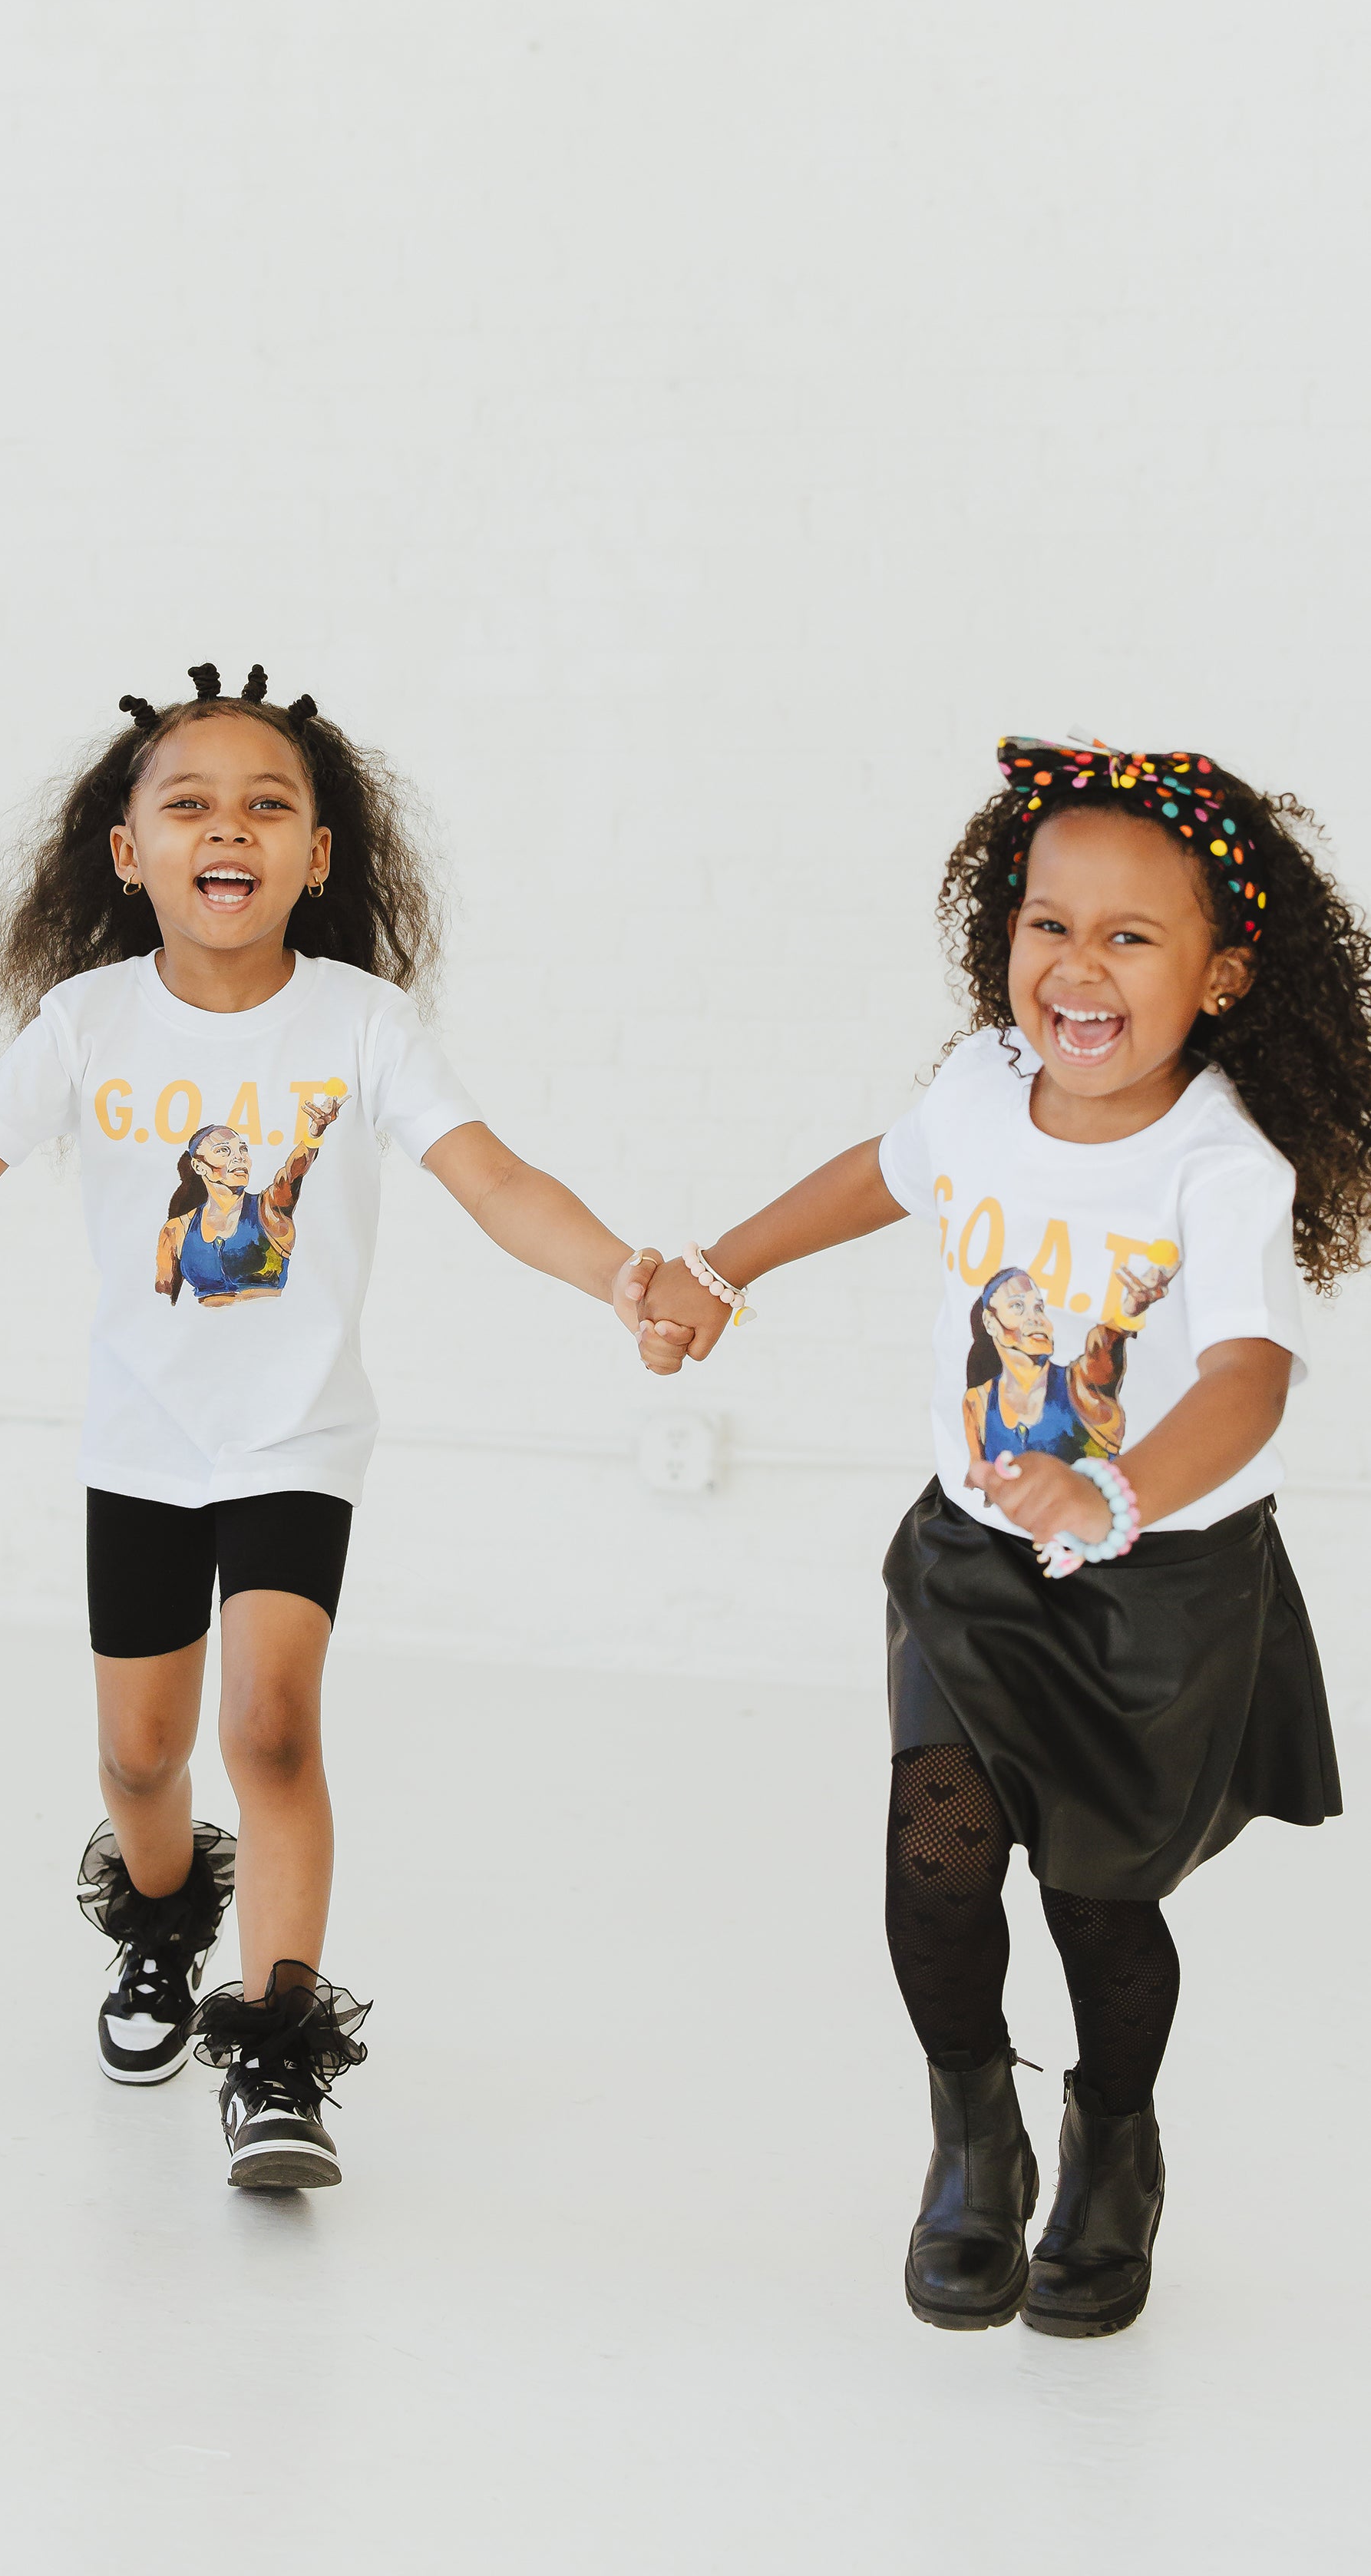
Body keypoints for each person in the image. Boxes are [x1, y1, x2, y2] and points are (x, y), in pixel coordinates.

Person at [0, 662, 686, 2191]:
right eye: (186, 802)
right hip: (138, 1442)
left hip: (296, 1438)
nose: (227, 826)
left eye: (268, 803)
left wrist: (622, 1272)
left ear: (317, 856)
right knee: (140, 1765)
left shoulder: (362, 1023)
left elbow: (496, 1178)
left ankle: (270, 2052)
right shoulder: (85, 1021)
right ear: (126, 853)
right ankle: (161, 1922)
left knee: (267, 1723)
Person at [638, 739, 1358, 2337]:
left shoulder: (1215, 1164)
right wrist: (722, 1264)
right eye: (1049, 923)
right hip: (967, 1560)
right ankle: (974, 2128)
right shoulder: (978, 1084)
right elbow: (882, 1173)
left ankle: (1115, 2140)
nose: (1075, 967)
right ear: (1002, 933)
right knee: (936, 1857)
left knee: (1100, 1897)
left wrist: (1113, 1489)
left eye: (1129, 936)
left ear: (1222, 972)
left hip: (1156, 1588)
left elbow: (1247, 1379)